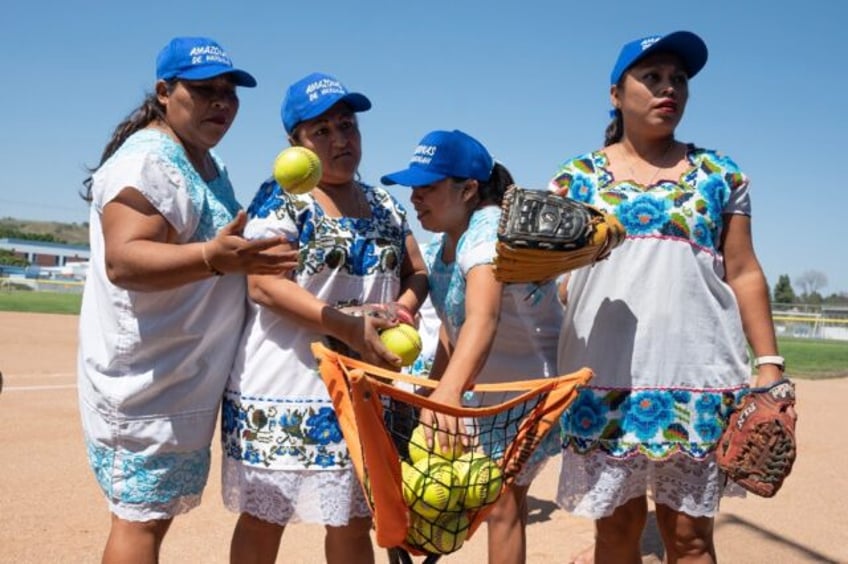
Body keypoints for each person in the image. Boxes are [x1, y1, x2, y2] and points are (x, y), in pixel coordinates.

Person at [549, 31, 792, 563]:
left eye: (679, 80)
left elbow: (745, 270)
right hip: (604, 379)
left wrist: (770, 364)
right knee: (615, 534)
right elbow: (554, 278)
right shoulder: (576, 179)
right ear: (616, 94)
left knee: (689, 540)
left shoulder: (721, 175)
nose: (669, 89)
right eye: (652, 77)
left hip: (698, 379)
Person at [77, 36, 297, 563]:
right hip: (145, 384)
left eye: (230, 91)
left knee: (152, 519)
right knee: (139, 525)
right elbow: (124, 259)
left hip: (178, 379)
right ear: (163, 92)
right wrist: (217, 258)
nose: (221, 102)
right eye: (204, 90)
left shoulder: (202, 162)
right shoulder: (149, 161)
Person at [221, 72, 429, 564]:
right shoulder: (281, 196)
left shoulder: (384, 204)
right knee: (263, 518)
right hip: (285, 386)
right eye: (323, 131)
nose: (341, 139)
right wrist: (346, 326)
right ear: (297, 142)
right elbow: (263, 284)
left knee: (355, 522)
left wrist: (403, 307)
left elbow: (417, 270)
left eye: (348, 125)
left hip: (362, 388)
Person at [381, 130, 563, 564]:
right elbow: (452, 327)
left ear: (468, 189)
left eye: (428, 187)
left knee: (499, 503)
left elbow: (484, 317)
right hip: (486, 387)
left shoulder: (486, 232)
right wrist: (431, 388)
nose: (415, 198)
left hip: (527, 387)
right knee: (500, 502)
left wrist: (446, 395)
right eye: (413, 187)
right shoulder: (443, 242)